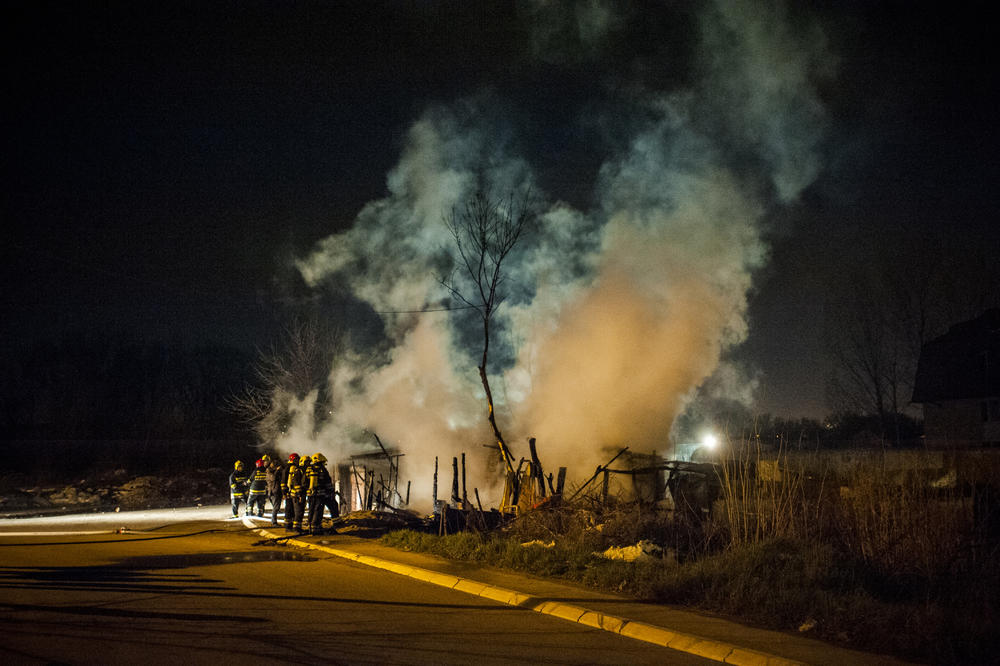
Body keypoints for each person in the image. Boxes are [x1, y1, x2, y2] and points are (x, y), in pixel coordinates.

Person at [306, 452, 339, 535]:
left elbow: (305, 481)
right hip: (321, 494)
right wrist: (331, 492)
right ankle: (316, 529)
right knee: (319, 511)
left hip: (311, 495)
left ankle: (311, 527)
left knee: (312, 510)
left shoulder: (309, 469)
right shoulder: (322, 469)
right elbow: (327, 482)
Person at [286, 454, 308, 533]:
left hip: (296, 494)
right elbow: (296, 483)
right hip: (297, 495)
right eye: (307, 462)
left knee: (298, 511)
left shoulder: (300, 470)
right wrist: (299, 495)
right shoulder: (299, 470)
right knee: (298, 511)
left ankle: (296, 527)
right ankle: (296, 528)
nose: (308, 464)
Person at [281, 453, 300, 531]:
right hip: (289, 491)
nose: (298, 461)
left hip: (289, 491)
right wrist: (284, 492)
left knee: (290, 508)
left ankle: (288, 525)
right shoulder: (289, 468)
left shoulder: (288, 467)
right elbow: (283, 481)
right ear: (293, 459)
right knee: (289, 508)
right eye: (297, 459)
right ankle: (288, 526)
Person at [265, 454, 283, 526]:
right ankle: (274, 521)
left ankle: (274, 521)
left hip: (275, 491)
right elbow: (273, 478)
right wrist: (277, 471)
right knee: (276, 507)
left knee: (276, 507)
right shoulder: (269, 471)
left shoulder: (272, 471)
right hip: (273, 491)